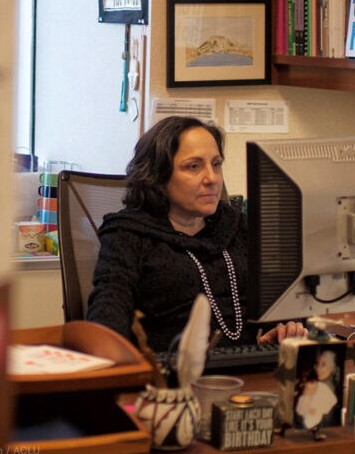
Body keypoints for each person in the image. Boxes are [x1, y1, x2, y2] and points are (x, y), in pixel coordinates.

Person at [86, 116, 305, 352]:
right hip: (169, 371)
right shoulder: (128, 234)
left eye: (216, 164)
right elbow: (108, 314)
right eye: (194, 166)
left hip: (248, 367)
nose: (212, 178)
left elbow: (283, 303)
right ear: (158, 176)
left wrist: (284, 327)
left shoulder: (237, 226)